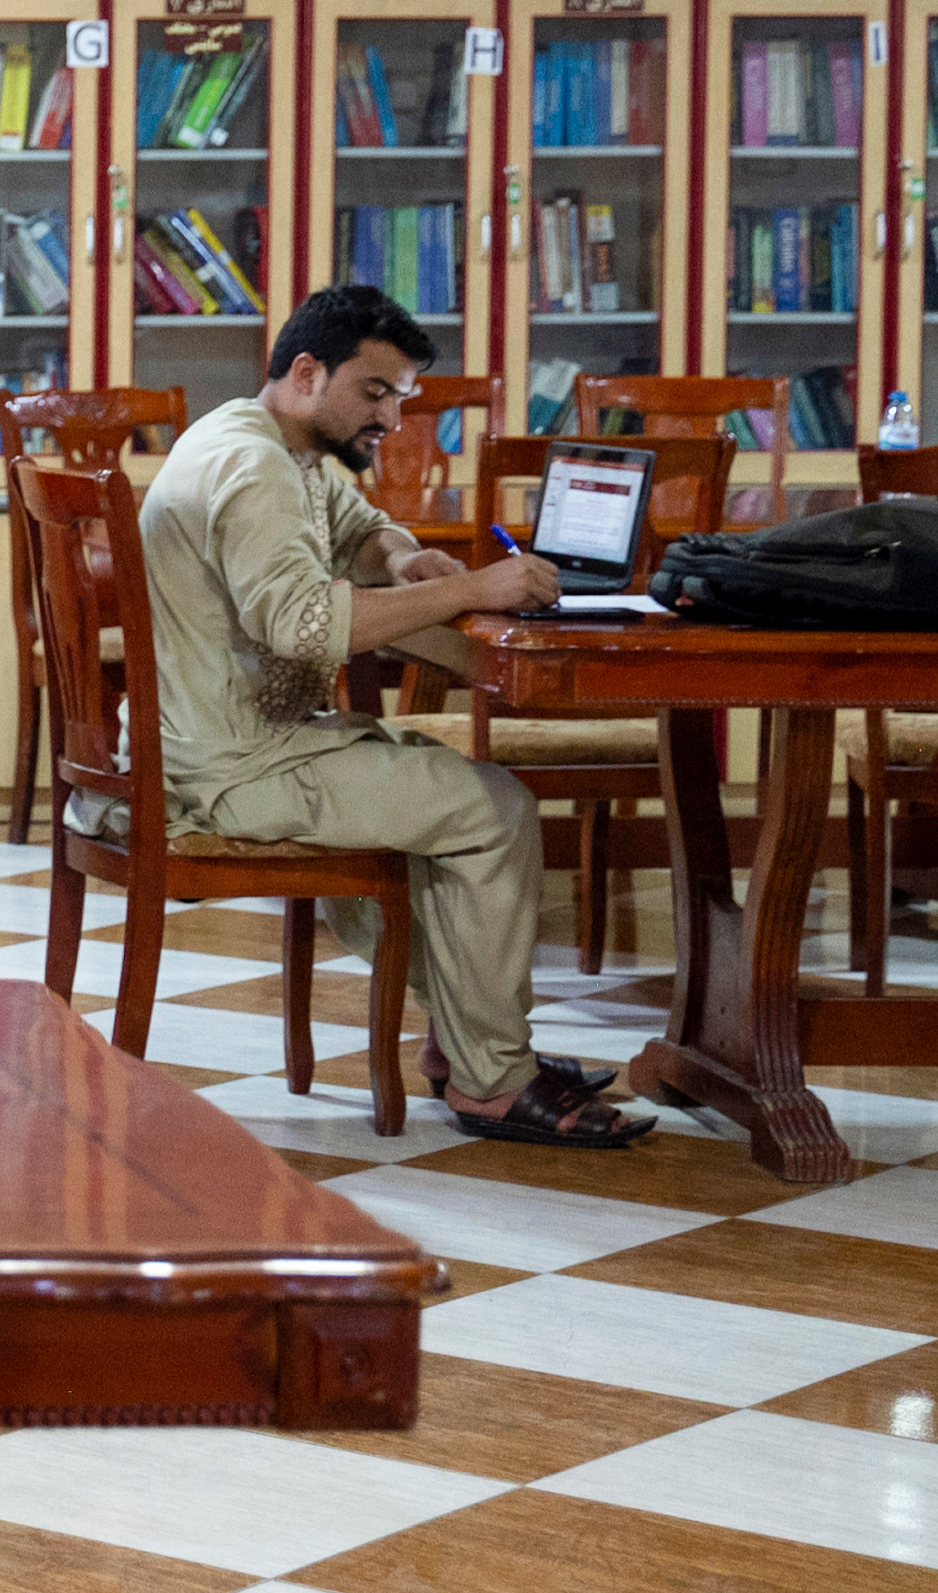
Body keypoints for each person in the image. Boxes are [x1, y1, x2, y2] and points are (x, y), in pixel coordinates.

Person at [133, 283, 648, 1147]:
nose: (392, 418)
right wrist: (475, 588)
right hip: (235, 769)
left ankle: (477, 1047)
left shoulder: (271, 442)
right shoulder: (254, 465)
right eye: (375, 393)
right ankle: (492, 1081)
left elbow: (360, 527)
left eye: (400, 397)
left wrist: (405, 558)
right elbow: (301, 627)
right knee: (495, 810)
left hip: (227, 744)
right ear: (307, 372)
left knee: (447, 804)